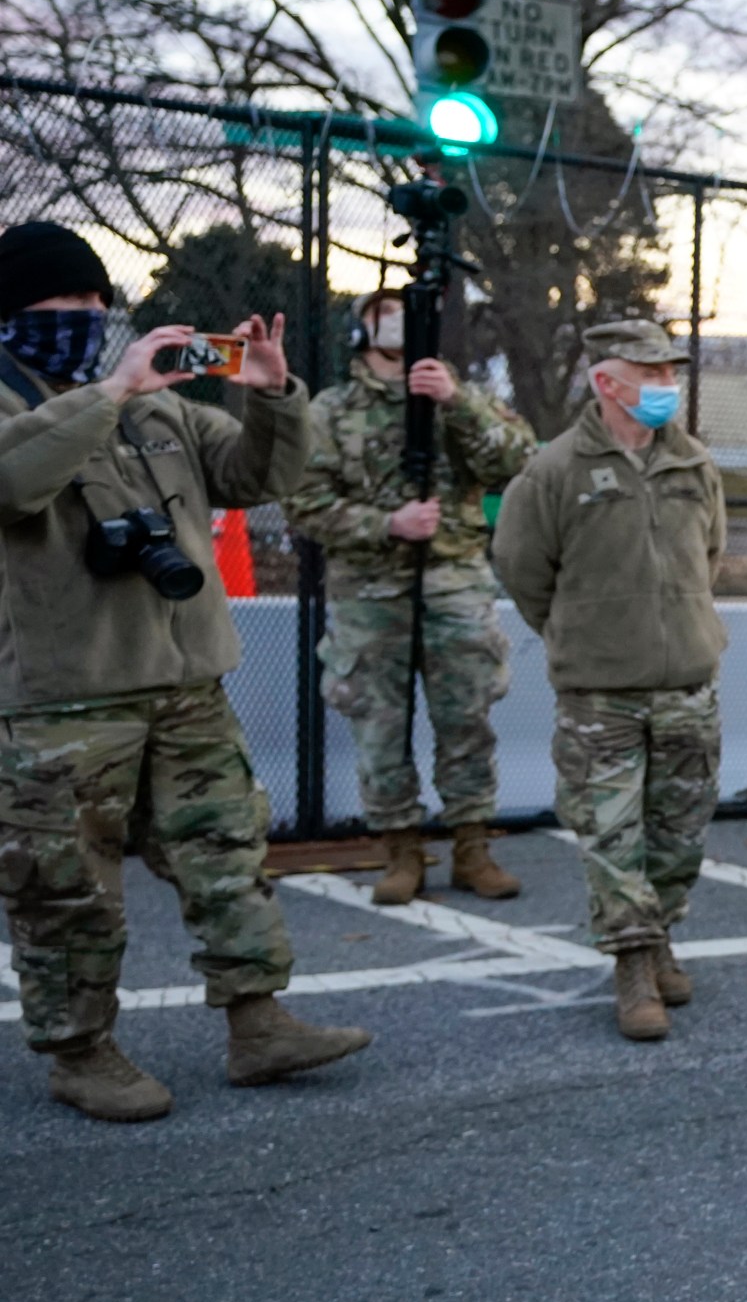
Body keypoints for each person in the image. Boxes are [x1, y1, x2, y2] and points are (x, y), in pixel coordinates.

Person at [0, 220, 370, 1122]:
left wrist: (275, 397)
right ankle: (80, 1052)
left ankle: (259, 1023)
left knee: (224, 857)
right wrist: (107, 393)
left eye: (96, 303)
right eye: (64, 304)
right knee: (66, 885)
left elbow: (256, 475)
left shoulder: (157, 407)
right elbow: (12, 485)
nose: (86, 319)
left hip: (185, 680)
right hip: (63, 694)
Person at [492, 320, 727, 1043]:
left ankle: (660, 938)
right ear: (606, 382)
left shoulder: (694, 465)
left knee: (678, 833)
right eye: (650, 373)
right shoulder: (555, 470)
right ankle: (631, 968)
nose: (665, 386)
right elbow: (522, 569)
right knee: (611, 835)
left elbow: (709, 557)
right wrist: (579, 634)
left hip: (688, 684)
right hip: (601, 695)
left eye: (669, 372)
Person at [284, 288, 536, 904]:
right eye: (381, 314)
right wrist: (385, 525)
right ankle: (400, 851)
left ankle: (472, 847)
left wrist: (456, 402)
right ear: (359, 333)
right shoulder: (330, 411)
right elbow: (303, 501)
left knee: (467, 718)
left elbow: (520, 463)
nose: (395, 323)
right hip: (371, 590)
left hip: (453, 581)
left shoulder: (461, 397)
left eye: (405, 312)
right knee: (379, 726)